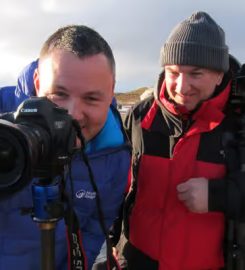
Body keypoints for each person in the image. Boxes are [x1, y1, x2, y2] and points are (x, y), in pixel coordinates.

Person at [0, 25, 130, 270]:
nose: (72, 114)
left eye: (91, 98)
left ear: (111, 91)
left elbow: (93, 232)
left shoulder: (115, 154)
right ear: (38, 83)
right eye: (59, 94)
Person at [122, 11, 245, 270]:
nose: (181, 86)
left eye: (196, 74)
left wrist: (218, 196)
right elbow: (116, 187)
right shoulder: (139, 117)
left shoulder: (239, 122)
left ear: (220, 75)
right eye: (173, 72)